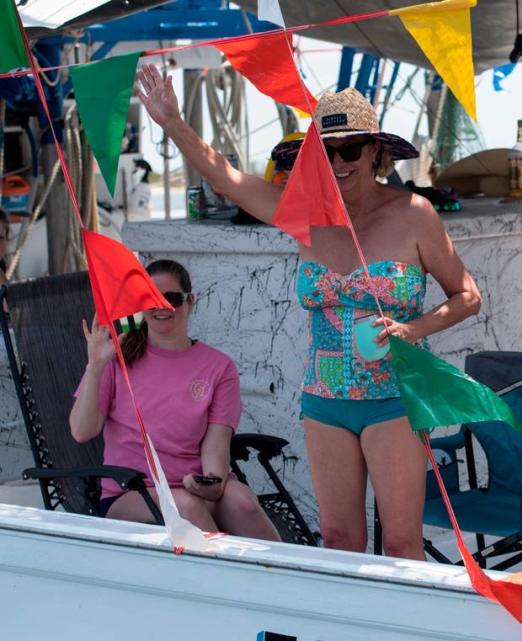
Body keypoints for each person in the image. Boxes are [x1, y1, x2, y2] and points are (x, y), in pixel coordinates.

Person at [133, 65, 481, 560]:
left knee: (403, 544)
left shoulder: (414, 214)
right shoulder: (304, 213)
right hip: (324, 403)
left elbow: (468, 295)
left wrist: (413, 327)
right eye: (327, 151)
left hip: (395, 400)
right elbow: (225, 179)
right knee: (339, 542)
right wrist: (172, 122)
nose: (339, 162)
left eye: (350, 149)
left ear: (376, 152)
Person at [69, 259, 280, 541]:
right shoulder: (114, 358)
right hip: (132, 491)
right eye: (150, 299)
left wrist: (214, 484)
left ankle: (295, 581)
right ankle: (225, 583)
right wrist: (94, 366)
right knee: (185, 507)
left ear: (190, 301)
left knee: (241, 501)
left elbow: (216, 443)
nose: (161, 307)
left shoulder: (219, 367)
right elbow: (82, 431)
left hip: (194, 487)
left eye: (171, 299)